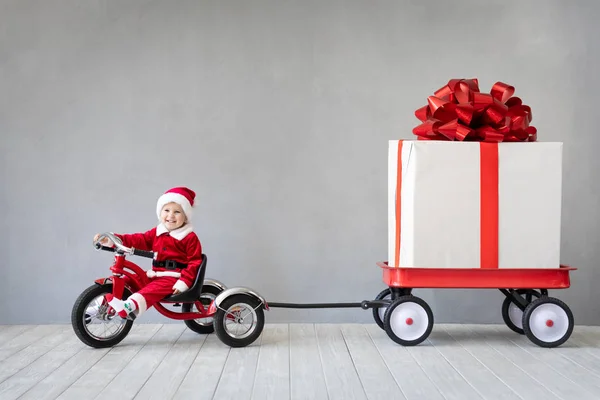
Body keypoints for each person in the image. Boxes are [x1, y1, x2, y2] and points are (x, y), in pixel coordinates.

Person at [94, 187, 202, 320]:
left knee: (152, 290)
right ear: (160, 212)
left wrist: (184, 281)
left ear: (185, 217)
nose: (171, 215)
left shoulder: (189, 237)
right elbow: (139, 240)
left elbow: (195, 261)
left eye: (177, 212)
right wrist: (113, 239)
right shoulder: (157, 232)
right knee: (129, 280)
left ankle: (128, 307)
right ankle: (100, 305)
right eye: (166, 210)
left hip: (173, 278)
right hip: (154, 274)